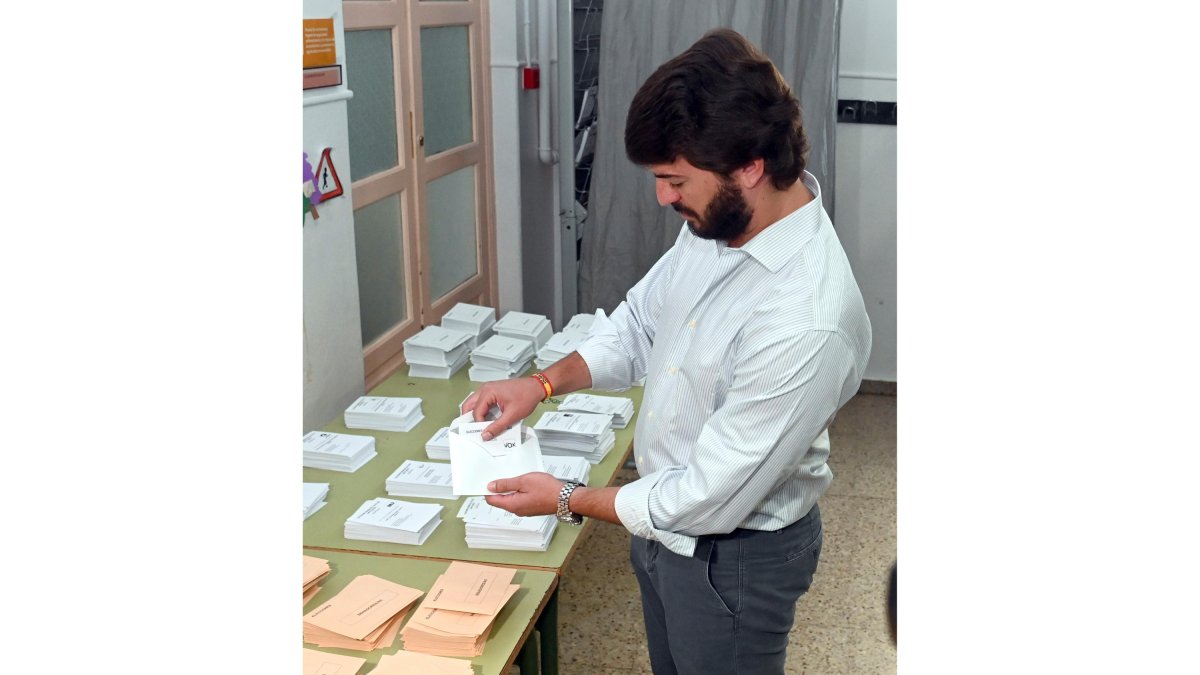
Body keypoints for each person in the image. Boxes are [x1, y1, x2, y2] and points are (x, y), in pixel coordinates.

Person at [463, 27, 872, 674]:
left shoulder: (806, 319)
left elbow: (708, 495)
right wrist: (539, 384)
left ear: (750, 167)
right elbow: (640, 324)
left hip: (732, 559)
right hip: (660, 522)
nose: (662, 197)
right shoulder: (720, 223)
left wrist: (567, 497)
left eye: (674, 179)